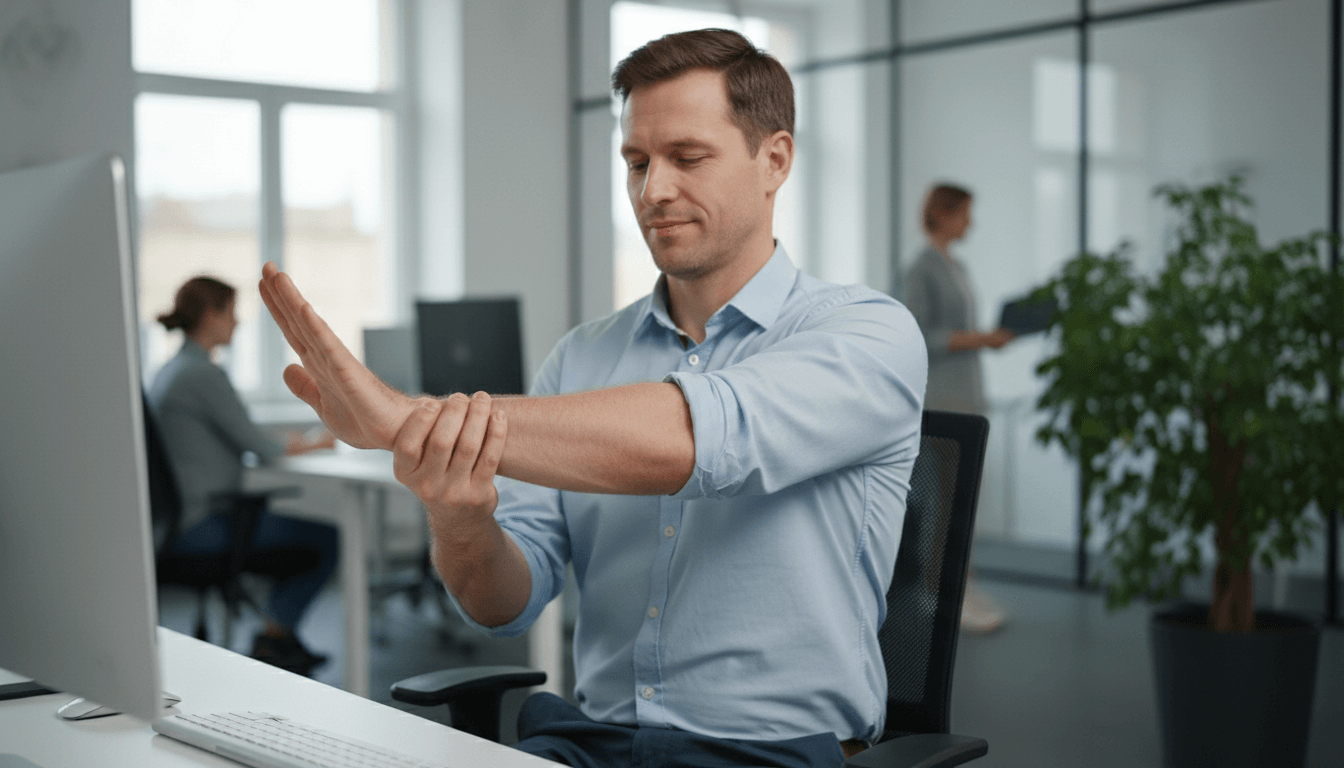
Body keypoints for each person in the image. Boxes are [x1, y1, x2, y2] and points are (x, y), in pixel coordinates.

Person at [259, 29, 926, 768]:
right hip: (592, 742)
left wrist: (411, 418)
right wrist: (459, 515)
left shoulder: (866, 334)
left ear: (775, 160)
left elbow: (699, 437)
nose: (654, 190)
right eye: (636, 163)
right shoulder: (580, 358)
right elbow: (501, 603)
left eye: (688, 157)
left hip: (770, 754)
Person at [148, 276, 338, 675]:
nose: (237, 323)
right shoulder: (201, 376)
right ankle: (274, 634)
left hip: (174, 523)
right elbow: (261, 446)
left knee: (291, 532)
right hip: (203, 525)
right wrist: (318, 442)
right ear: (210, 315)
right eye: (232, 313)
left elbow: (244, 434)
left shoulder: (171, 371)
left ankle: (277, 635)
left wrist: (292, 439)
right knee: (325, 538)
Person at [903, 183, 1013, 633]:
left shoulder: (956, 265)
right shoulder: (921, 268)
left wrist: (986, 339)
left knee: (961, 500)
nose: (971, 222)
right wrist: (980, 339)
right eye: (966, 213)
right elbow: (917, 333)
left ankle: (959, 581)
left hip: (966, 399)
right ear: (945, 213)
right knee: (945, 502)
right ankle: (941, 593)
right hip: (942, 404)